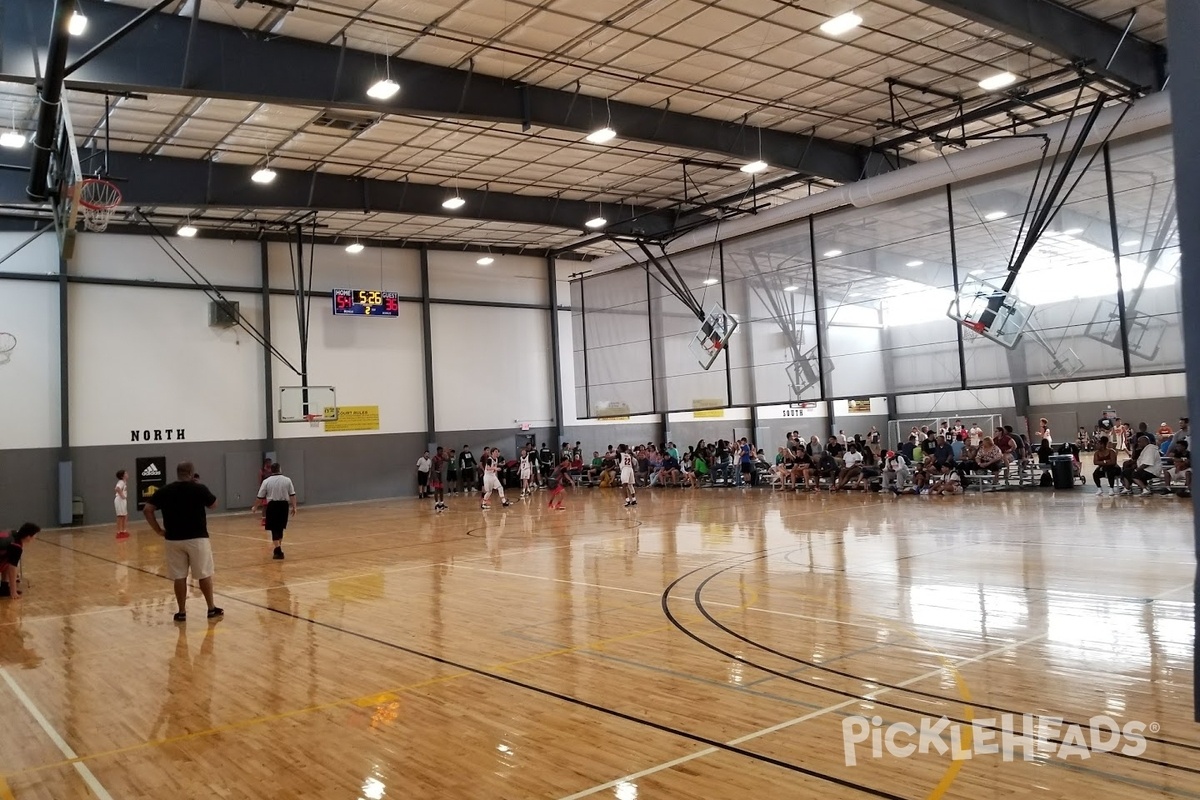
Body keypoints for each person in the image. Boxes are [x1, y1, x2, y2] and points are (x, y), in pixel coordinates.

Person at [142, 461, 223, 621]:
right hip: (197, 538)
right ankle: (211, 608)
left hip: (173, 539)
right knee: (204, 574)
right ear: (192, 473)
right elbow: (214, 504)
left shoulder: (165, 490)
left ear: (178, 473)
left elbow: (147, 510)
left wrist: (158, 530)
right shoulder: (199, 488)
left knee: (179, 576)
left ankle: (181, 612)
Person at [250, 463, 297, 559]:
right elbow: (292, 494)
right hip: (284, 505)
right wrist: (294, 507)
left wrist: (255, 507)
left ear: (271, 470)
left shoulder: (266, 481)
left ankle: (278, 549)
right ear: (280, 469)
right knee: (280, 527)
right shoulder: (287, 480)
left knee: (273, 528)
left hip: (272, 505)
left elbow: (260, 496)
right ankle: (278, 549)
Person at [0, 523, 39, 598]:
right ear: (28, 537)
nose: (35, 538)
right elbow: (12, 569)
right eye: (34, 535)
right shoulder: (16, 546)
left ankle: (4, 589)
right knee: (10, 565)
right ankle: (7, 590)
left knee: (7, 561)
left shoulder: (13, 533)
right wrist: (13, 592)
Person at [431, 446, 450, 512]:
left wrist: (448, 453)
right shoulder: (434, 458)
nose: (442, 452)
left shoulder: (442, 457)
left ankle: (441, 503)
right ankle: (436, 504)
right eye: (440, 451)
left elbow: (448, 460)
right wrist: (435, 477)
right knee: (436, 489)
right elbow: (432, 469)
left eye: (442, 451)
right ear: (437, 451)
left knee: (441, 489)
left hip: (440, 474)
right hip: (436, 474)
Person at [114, 469, 129, 539]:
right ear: (122, 476)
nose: (127, 474)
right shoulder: (121, 482)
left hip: (122, 500)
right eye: (126, 473)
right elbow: (117, 488)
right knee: (120, 516)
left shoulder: (124, 482)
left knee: (125, 515)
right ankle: (119, 532)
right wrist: (122, 495)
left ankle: (123, 530)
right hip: (120, 500)